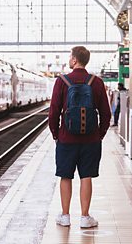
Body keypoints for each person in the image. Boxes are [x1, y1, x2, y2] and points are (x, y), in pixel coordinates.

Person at [48, 46, 111, 228]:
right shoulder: (96, 82)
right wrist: (99, 134)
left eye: (70, 57)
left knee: (65, 176)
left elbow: (53, 112)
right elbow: (106, 113)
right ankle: (85, 217)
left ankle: (65, 215)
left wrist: (56, 134)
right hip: (91, 140)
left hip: (66, 139)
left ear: (74, 60)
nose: (69, 59)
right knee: (86, 176)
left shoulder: (62, 81)